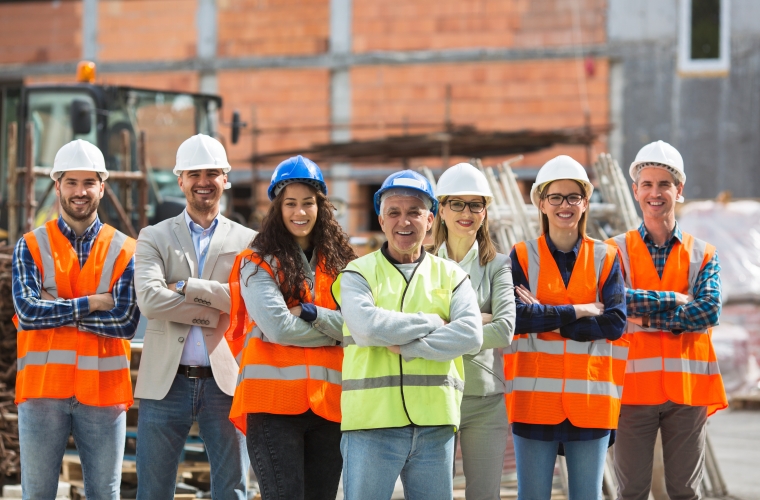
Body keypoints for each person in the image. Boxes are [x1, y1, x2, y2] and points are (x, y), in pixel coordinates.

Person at [332, 170, 483, 500]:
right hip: (371, 425)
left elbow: (471, 335)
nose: (404, 221)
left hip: (435, 426)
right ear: (381, 220)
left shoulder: (452, 275)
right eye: (394, 212)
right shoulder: (356, 274)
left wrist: (410, 346)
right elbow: (368, 328)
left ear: (430, 219)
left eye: (414, 212)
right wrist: (434, 321)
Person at [12, 140, 140, 500]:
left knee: (105, 494)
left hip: (103, 394)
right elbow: (28, 313)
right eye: (71, 182)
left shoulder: (126, 249)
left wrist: (59, 310)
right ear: (57, 186)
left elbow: (126, 322)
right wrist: (95, 303)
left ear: (102, 186)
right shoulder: (31, 244)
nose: (79, 192)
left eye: (88, 182)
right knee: (37, 495)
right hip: (42, 393)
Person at [225, 155, 356, 499]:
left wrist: (312, 314)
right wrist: (337, 333)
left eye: (308, 203)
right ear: (277, 208)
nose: (300, 212)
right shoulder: (256, 260)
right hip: (273, 406)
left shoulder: (342, 261)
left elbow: (360, 327)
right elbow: (279, 328)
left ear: (321, 206)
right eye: (291, 203)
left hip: (330, 405)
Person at [133, 134, 255, 499]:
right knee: (153, 491)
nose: (204, 181)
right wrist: (218, 306)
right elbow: (152, 302)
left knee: (232, 490)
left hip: (226, 384)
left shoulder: (250, 241)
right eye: (195, 173)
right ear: (181, 179)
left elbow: (247, 303)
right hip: (164, 384)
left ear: (225, 179)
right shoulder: (152, 237)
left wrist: (186, 286)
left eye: (212, 173)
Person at [504, 155, 627, 500]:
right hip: (534, 402)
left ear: (586, 202)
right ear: (541, 203)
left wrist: (548, 318)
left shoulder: (606, 256)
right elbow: (516, 319)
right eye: (555, 197)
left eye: (573, 196)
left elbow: (615, 323)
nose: (565, 205)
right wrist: (580, 310)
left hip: (591, 401)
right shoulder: (521, 256)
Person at [609, 141, 726, 500]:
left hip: (688, 392)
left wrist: (643, 318)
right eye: (647, 184)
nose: (654, 193)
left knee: (685, 492)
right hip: (631, 391)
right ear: (635, 190)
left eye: (663, 184)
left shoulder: (703, 253)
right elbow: (613, 302)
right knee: (631, 492)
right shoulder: (613, 250)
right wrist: (676, 303)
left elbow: (709, 311)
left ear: (679, 189)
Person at [430, 163, 515, 500]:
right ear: (441, 209)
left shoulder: (498, 265)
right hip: (434, 395)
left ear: (485, 211)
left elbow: (506, 329)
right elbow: (414, 329)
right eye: (457, 204)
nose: (467, 213)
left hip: (484, 399)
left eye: (475, 204)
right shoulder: (422, 264)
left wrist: (447, 328)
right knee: (434, 493)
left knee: (484, 494)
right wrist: (479, 319)